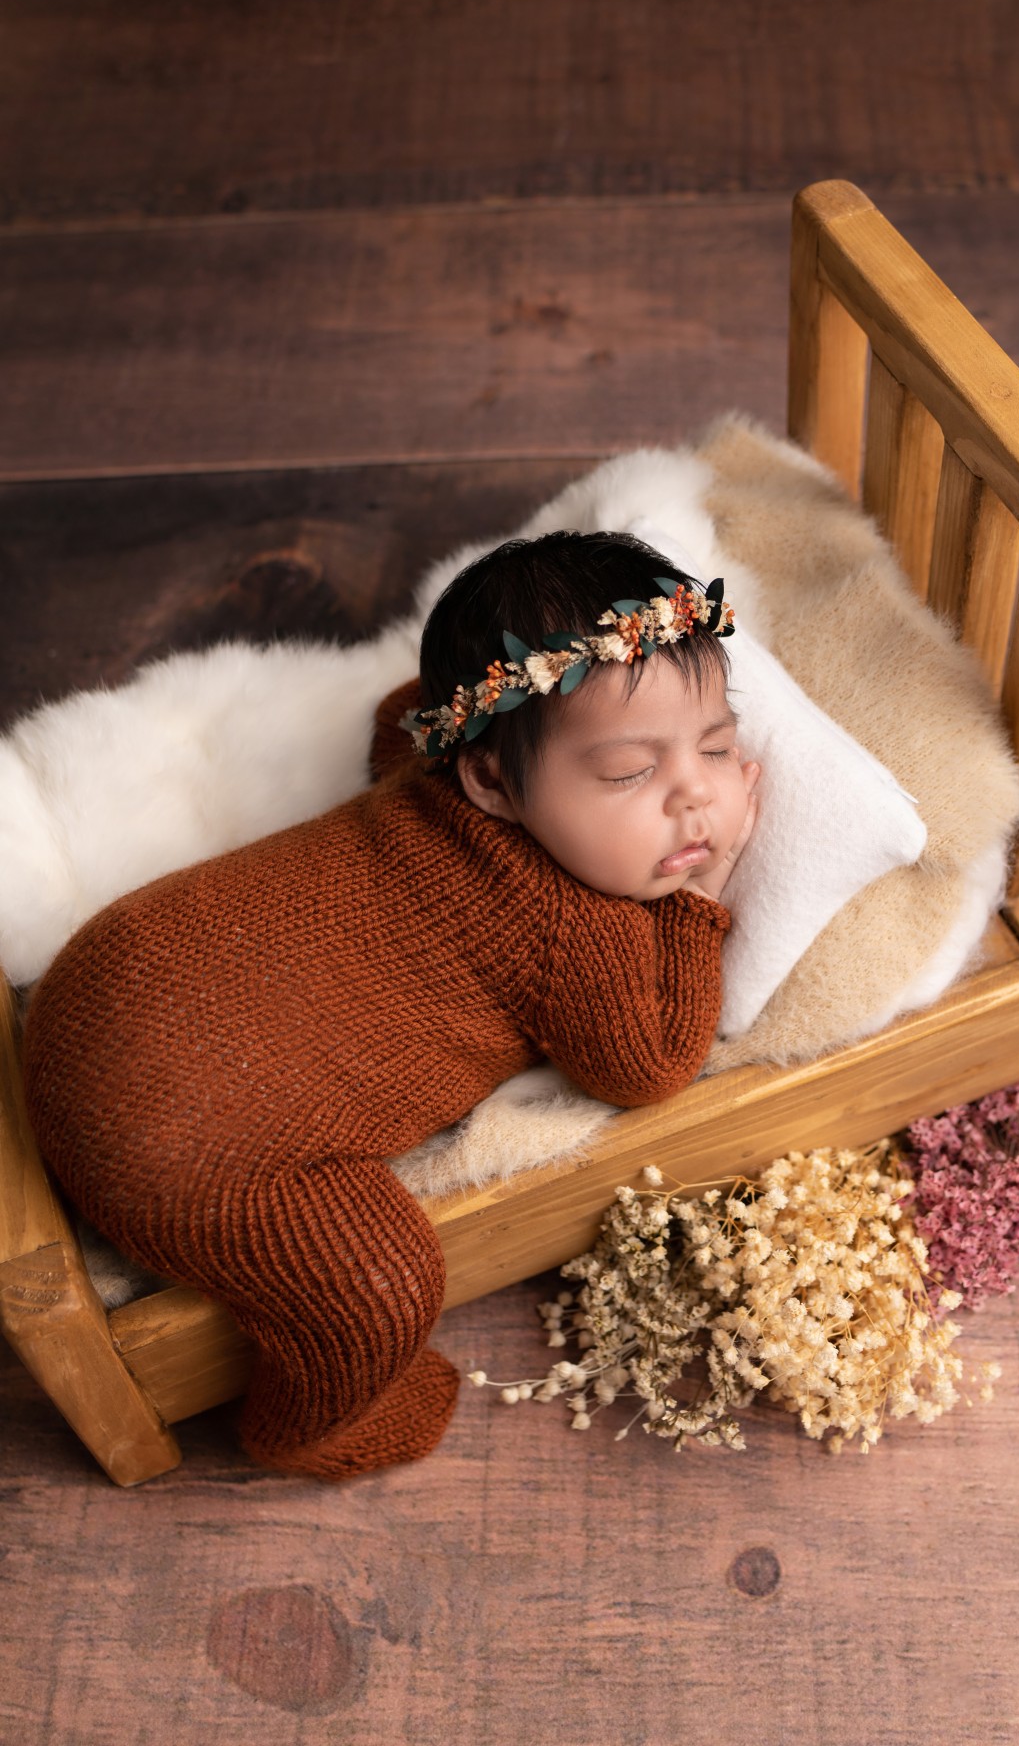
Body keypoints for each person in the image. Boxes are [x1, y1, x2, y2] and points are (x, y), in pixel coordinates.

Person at [21, 532, 762, 1480]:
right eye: (629, 774)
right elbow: (652, 1064)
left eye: (719, 744)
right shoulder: (576, 931)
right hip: (181, 1153)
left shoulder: (430, 753)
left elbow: (395, 708)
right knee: (379, 1286)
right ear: (490, 779)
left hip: (103, 980)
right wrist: (703, 904)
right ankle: (308, 1426)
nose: (698, 799)